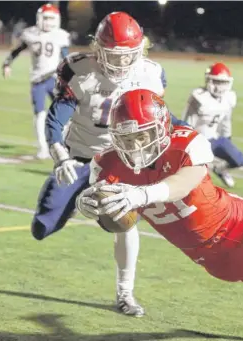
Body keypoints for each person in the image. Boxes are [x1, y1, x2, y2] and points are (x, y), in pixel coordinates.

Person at [76, 89, 243, 320]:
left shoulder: (186, 142)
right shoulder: (106, 164)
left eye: (142, 136)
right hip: (200, 247)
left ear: (162, 127)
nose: (135, 147)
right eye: (126, 139)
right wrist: (90, 206)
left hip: (234, 217)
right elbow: (116, 221)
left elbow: (184, 182)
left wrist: (140, 195)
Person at [31, 11, 186, 317]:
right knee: (42, 227)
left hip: (122, 160)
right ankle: (76, 200)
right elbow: (57, 115)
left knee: (125, 223)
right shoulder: (79, 70)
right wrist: (60, 155)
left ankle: (125, 293)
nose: (120, 63)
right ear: (97, 49)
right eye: (113, 55)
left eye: (127, 55)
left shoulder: (151, 74)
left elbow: (161, 117)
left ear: (139, 50)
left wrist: (189, 137)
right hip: (80, 155)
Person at [182, 62, 243, 188]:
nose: (219, 86)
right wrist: (188, 142)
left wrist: (227, 137)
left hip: (215, 138)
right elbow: (188, 121)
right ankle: (208, 166)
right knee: (195, 169)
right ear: (208, 81)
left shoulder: (228, 98)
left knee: (239, 161)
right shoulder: (199, 97)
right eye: (216, 82)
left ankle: (219, 168)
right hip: (198, 140)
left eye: (222, 82)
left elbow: (226, 120)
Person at [2, 4, 70, 159]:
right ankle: (43, 147)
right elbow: (16, 51)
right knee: (40, 114)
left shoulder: (60, 35)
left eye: (51, 19)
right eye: (45, 18)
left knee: (63, 114)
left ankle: (65, 144)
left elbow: (66, 59)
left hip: (54, 79)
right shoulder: (30, 34)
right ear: (39, 18)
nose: (48, 22)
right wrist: (6, 64)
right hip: (38, 80)